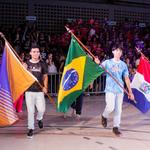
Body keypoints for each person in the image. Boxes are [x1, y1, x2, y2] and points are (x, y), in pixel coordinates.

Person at [95, 45, 134, 136]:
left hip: (120, 90)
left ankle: (116, 127)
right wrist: (97, 63)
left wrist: (130, 92)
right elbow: (98, 70)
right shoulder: (107, 63)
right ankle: (104, 116)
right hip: (110, 89)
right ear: (113, 52)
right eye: (117, 50)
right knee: (110, 107)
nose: (119, 52)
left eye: (120, 51)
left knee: (118, 110)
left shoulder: (123, 64)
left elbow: (126, 78)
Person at [24, 45, 48, 138]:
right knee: (31, 111)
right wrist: (23, 68)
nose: (36, 53)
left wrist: (45, 87)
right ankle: (31, 128)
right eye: (34, 51)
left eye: (37, 52)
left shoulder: (43, 64)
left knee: (42, 109)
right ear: (30, 53)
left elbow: (45, 76)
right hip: (29, 91)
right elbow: (22, 76)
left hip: (39, 91)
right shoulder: (25, 64)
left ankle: (39, 118)